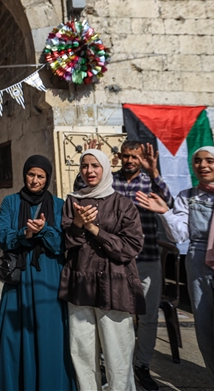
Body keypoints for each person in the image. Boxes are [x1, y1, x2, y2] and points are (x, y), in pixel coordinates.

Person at [136, 146, 214, 390]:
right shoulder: (188, 195)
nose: (203, 166)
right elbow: (180, 235)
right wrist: (165, 212)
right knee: (207, 341)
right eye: (197, 161)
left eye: (209, 160)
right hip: (198, 269)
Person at [0, 155, 76, 391]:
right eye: (31, 174)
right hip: (19, 277)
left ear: (47, 179)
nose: (35, 180)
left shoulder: (58, 205)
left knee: (50, 334)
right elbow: (2, 234)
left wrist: (44, 230)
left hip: (49, 276)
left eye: (41, 176)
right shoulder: (11, 202)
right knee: (14, 335)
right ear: (25, 174)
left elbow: (62, 244)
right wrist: (25, 234)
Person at [60, 149, 144, 391]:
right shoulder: (72, 202)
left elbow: (131, 246)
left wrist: (95, 230)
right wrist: (77, 224)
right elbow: (64, 243)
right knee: (83, 353)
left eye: (95, 165)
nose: (89, 171)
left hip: (114, 287)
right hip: (79, 286)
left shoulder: (123, 204)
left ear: (105, 168)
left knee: (117, 354)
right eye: (84, 166)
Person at [111, 141, 173, 391]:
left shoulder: (150, 181)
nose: (130, 161)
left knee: (147, 318)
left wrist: (155, 172)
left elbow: (169, 204)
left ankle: (142, 366)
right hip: (115, 261)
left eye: (134, 157)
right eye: (126, 156)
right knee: (118, 315)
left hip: (147, 259)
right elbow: (83, 189)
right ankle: (117, 365)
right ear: (119, 157)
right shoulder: (110, 180)